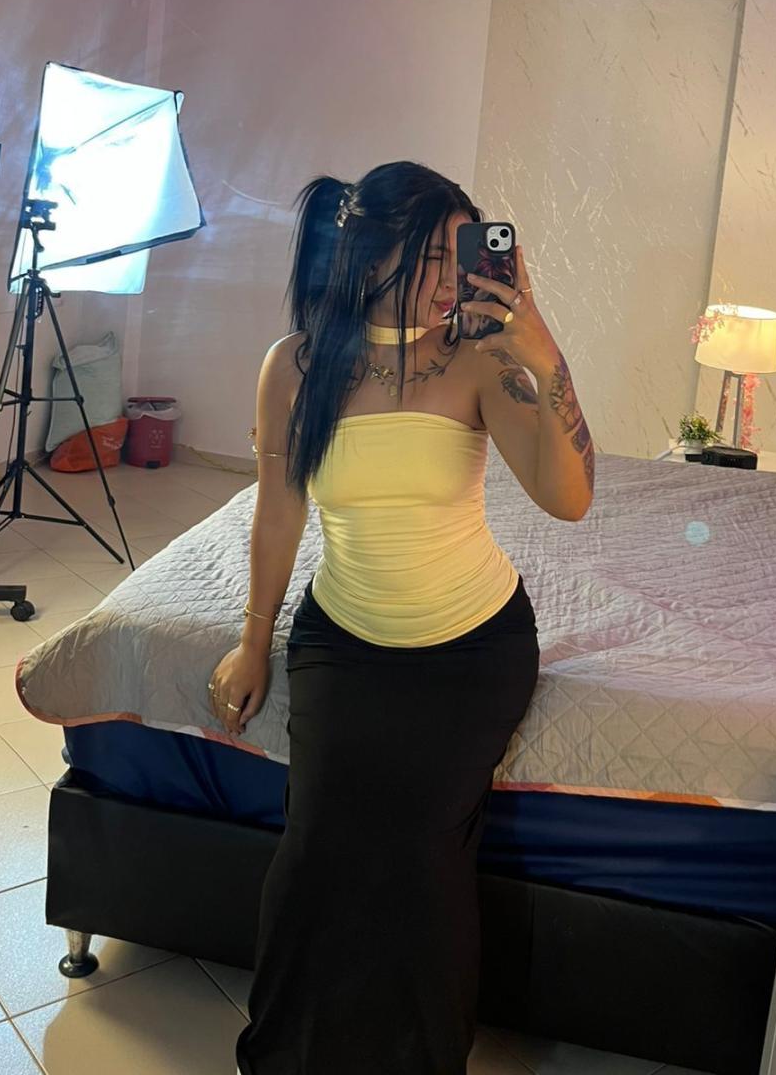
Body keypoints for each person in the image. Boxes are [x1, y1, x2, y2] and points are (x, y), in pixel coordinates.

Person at [211, 161, 595, 1075]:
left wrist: (541, 352)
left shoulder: (481, 360)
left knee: (422, 859)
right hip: (342, 639)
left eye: (459, 257)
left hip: (471, 649)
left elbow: (569, 499)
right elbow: (278, 509)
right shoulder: (295, 366)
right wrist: (253, 639)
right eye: (430, 257)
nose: (448, 281)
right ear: (369, 253)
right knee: (315, 847)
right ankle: (284, 1055)